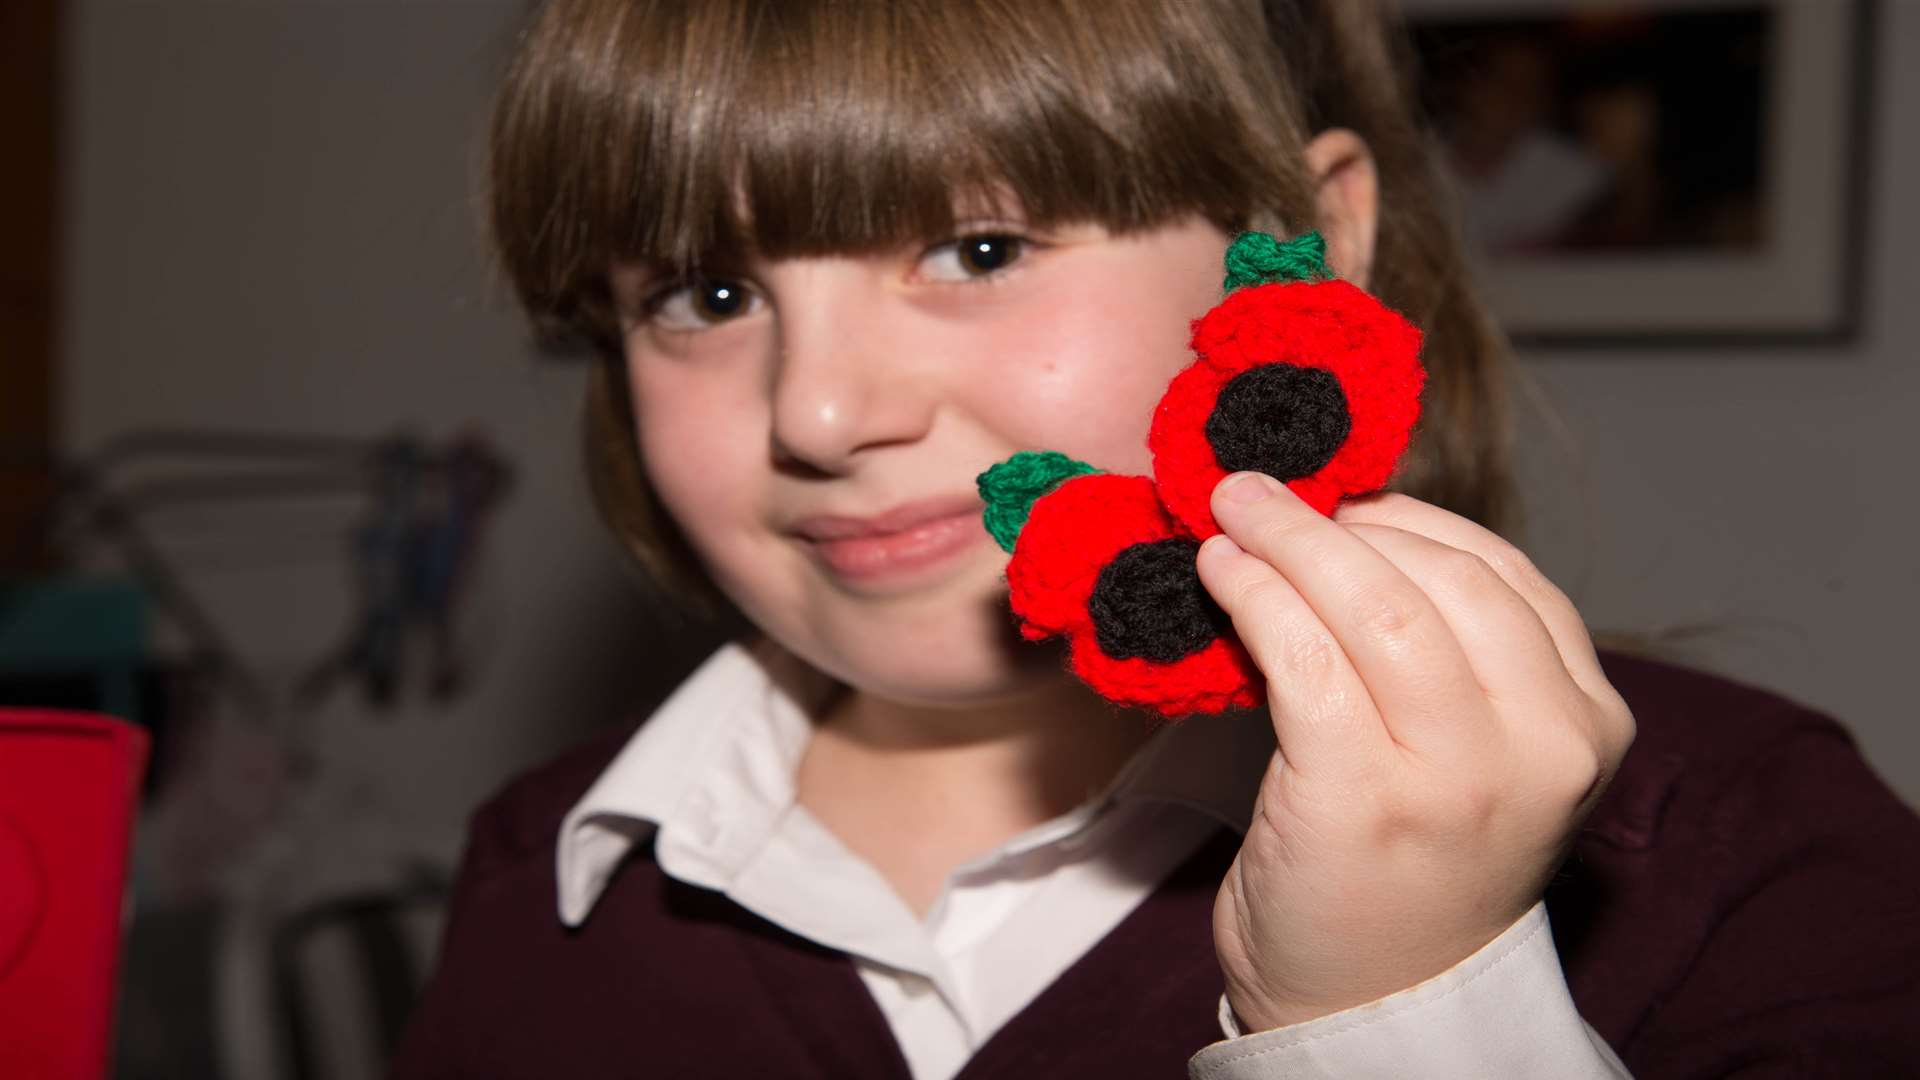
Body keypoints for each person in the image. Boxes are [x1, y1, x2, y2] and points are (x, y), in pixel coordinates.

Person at [393, 1, 1920, 1077]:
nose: (825, 411)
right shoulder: (542, 879)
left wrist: (1404, 1013)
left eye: (978, 248)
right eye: (707, 297)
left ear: (1308, 239)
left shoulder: (1736, 854)